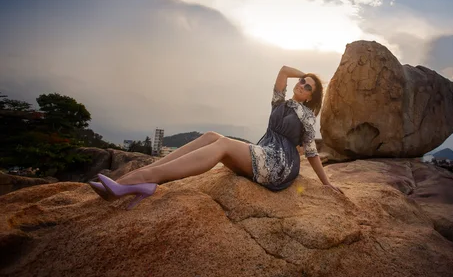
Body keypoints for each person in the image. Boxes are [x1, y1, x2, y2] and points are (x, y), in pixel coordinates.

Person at [89, 65, 344, 210]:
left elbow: (310, 152)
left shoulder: (308, 117)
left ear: (311, 96)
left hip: (279, 165)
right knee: (211, 135)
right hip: (263, 153)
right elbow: (283, 70)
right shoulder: (280, 102)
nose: (301, 85)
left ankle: (143, 180)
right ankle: (132, 180)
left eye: (308, 86)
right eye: (302, 81)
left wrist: (327, 183)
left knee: (223, 144)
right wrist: (308, 72)